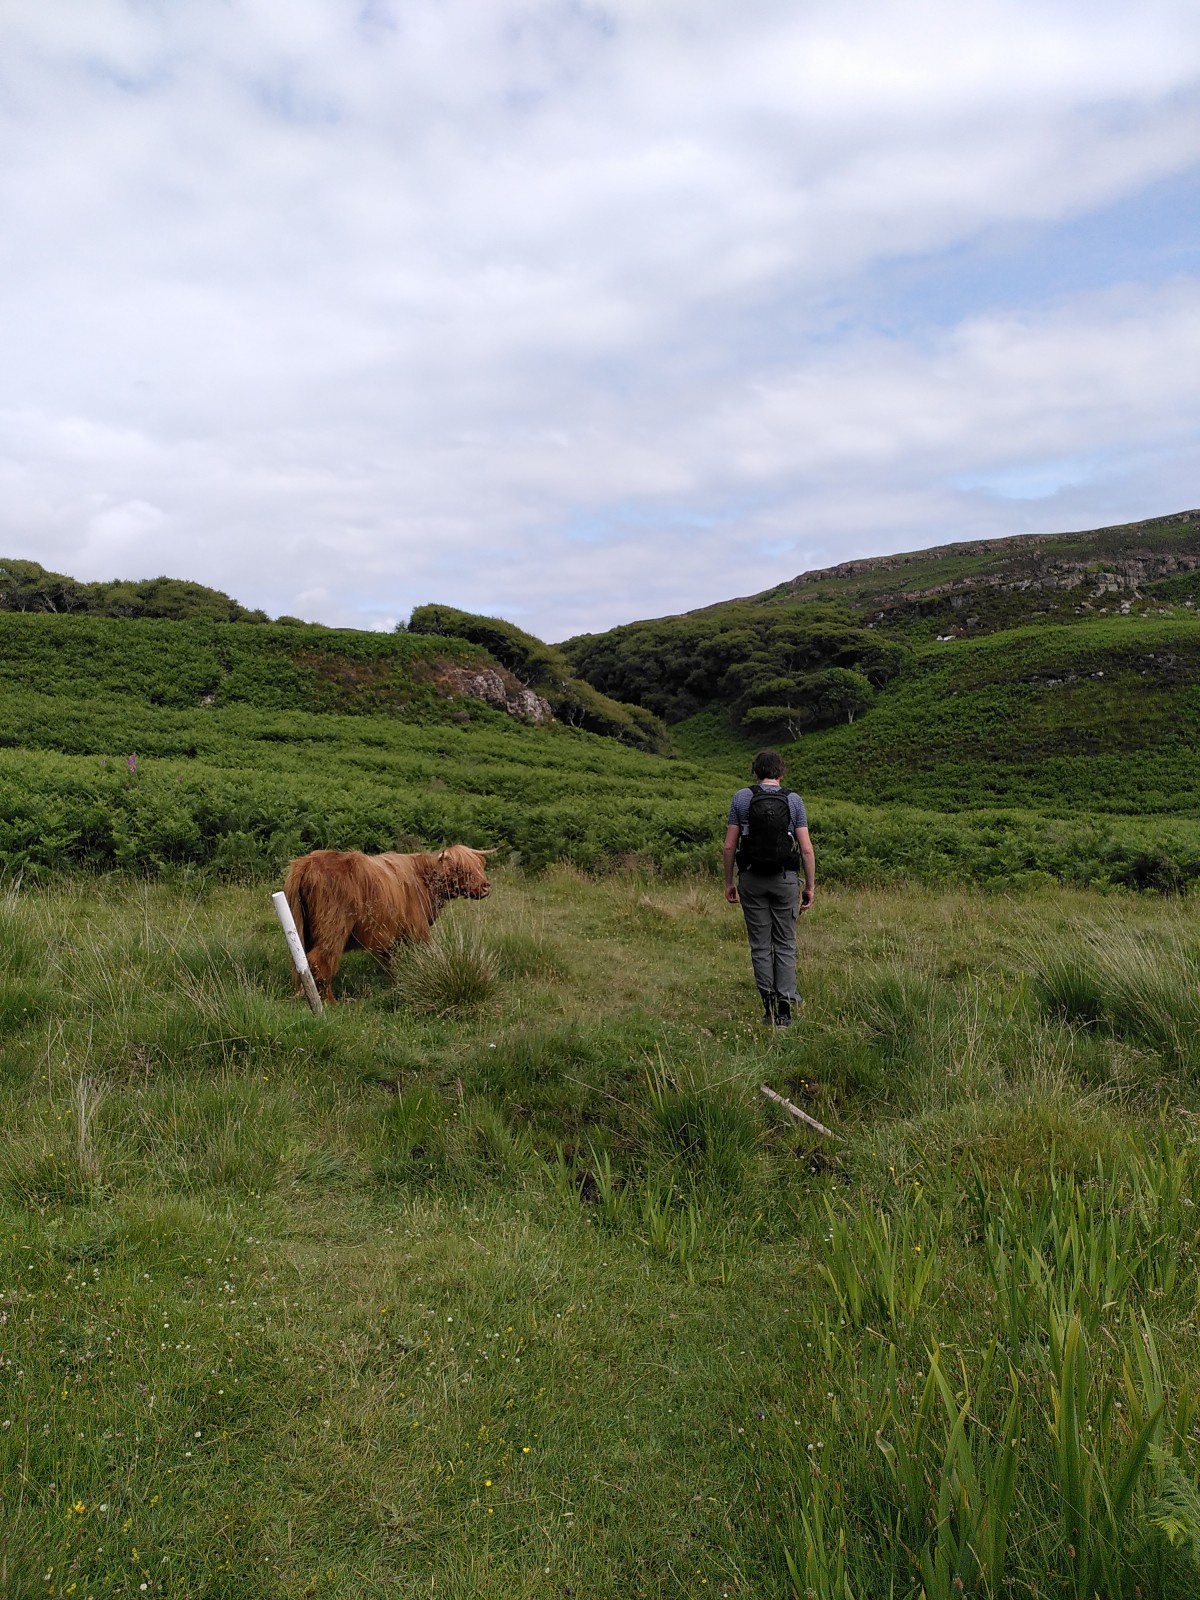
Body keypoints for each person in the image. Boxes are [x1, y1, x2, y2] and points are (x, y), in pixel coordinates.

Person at [723, 749, 815, 1027]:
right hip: (785, 879)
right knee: (785, 944)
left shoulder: (741, 797)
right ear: (781, 772)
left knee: (760, 945)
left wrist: (729, 881)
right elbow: (806, 847)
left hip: (751, 879)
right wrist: (809, 885)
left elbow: (729, 845)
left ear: (756, 772)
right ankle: (785, 1012)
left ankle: (768, 1007)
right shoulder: (793, 800)